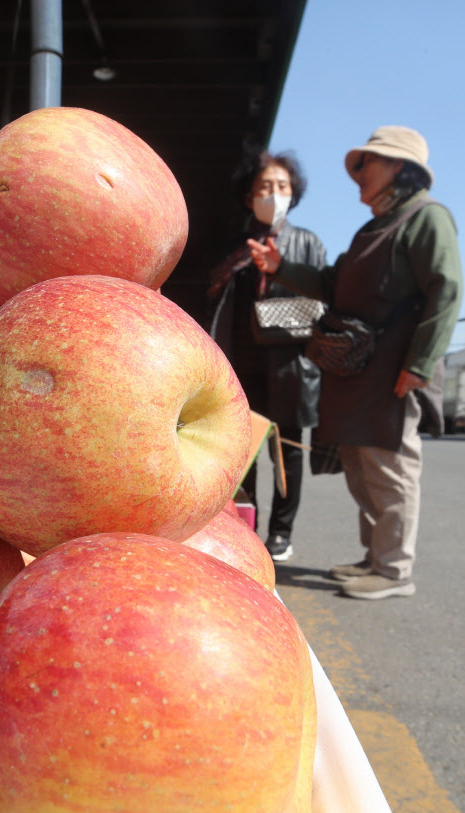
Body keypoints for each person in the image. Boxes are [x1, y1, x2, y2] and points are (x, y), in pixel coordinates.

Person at [248, 126, 463, 599]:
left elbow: (446, 292)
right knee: (364, 472)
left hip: (394, 372)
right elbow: (332, 283)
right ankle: (375, 558)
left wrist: (422, 364)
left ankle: (393, 571)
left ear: (399, 169)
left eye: (369, 163)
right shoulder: (374, 226)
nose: (358, 174)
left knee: (390, 470)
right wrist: (279, 268)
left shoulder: (427, 218)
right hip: (357, 373)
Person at [205, 146, 326, 562]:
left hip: (291, 367)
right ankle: (246, 525)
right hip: (241, 366)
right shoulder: (233, 249)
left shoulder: (307, 243)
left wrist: (268, 316)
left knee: (288, 451)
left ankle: (281, 534)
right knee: (246, 451)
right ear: (247, 196)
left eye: (282, 186)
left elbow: (319, 308)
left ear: (294, 193)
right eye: (264, 187)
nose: (273, 194)